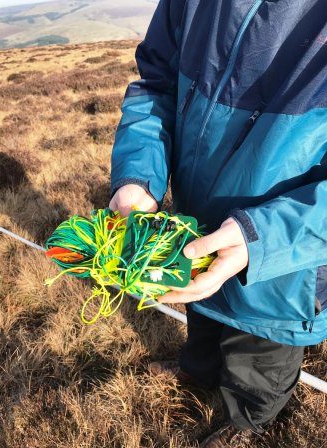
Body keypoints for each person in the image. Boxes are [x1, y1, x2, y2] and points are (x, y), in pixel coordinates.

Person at [109, 1, 327, 446]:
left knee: (259, 356)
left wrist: (261, 240)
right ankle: (198, 371)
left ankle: (247, 420)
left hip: (284, 266)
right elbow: (156, 83)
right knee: (202, 318)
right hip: (193, 227)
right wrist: (138, 176)